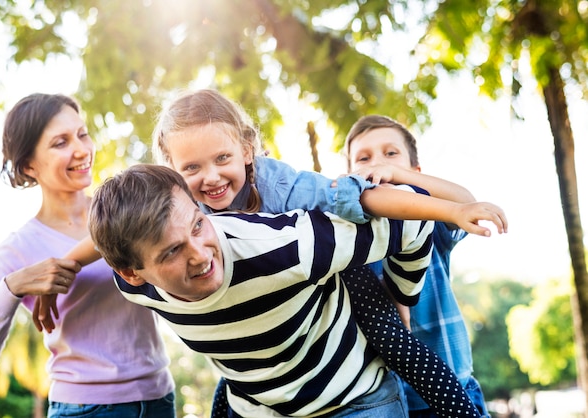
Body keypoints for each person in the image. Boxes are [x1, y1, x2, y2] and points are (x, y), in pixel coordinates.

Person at [36, 89, 507, 416]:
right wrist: (68, 265)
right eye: (193, 167)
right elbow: (114, 233)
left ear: (247, 149)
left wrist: (450, 210)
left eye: (223, 159)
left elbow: (357, 198)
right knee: (241, 377)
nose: (212, 178)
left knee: (397, 344)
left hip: (333, 274)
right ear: (174, 170)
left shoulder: (282, 183)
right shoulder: (179, 202)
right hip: (256, 320)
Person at [89, 163, 438, 417]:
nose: (199, 255)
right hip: (257, 410)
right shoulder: (135, 287)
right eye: (172, 251)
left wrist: (400, 297)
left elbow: (414, 219)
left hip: (353, 402)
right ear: (134, 273)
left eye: (198, 225)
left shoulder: (285, 247)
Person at [0, 94, 176, 418]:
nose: (81, 150)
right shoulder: (19, 247)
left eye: (82, 134)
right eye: (60, 142)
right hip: (84, 409)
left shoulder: (123, 212)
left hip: (160, 397)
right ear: (28, 166)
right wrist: (13, 286)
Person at [345, 114, 491, 417]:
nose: (377, 164)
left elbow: (465, 204)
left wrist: (401, 177)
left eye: (390, 154)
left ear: (416, 171)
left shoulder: (431, 221)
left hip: (455, 388)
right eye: (363, 158)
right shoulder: (348, 242)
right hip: (387, 404)